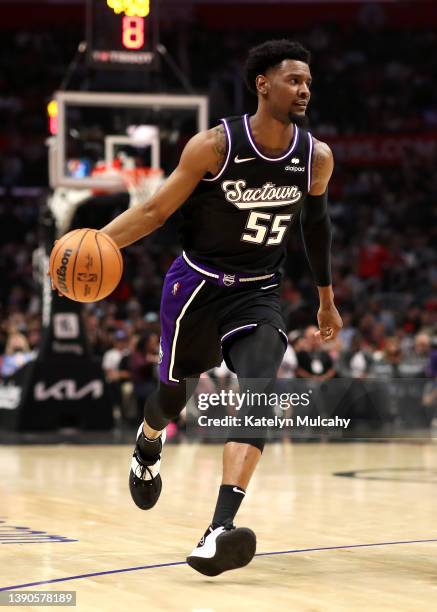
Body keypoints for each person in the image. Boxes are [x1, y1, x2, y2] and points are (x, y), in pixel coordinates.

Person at [94, 40, 342, 575]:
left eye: (308, 83)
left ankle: (218, 530)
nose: (303, 90)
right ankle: (148, 440)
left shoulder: (315, 156)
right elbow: (157, 209)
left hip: (258, 290)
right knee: (170, 397)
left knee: (258, 391)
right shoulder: (214, 146)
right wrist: (98, 241)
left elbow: (316, 227)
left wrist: (325, 298)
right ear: (262, 84)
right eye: (293, 80)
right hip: (197, 287)